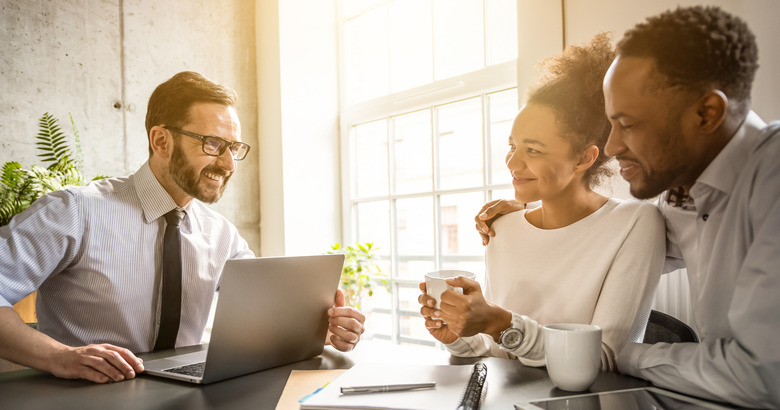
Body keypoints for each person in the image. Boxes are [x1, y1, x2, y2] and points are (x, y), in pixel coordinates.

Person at [477, 6, 780, 410]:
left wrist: (621, 354)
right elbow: (603, 234)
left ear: (707, 113)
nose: (613, 146)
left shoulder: (771, 182)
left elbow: (763, 376)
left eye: (629, 124)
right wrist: (534, 210)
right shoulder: (681, 200)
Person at [0, 71, 365, 383]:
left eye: (233, 147)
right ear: (161, 141)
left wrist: (321, 329)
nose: (227, 164)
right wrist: (60, 357)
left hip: (185, 400)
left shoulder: (222, 236)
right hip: (81, 403)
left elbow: (269, 318)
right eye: (212, 144)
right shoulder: (75, 211)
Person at [418, 34, 666, 371]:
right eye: (512, 146)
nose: (512, 163)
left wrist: (500, 324)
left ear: (583, 158)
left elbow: (605, 358)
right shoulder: (501, 227)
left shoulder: (635, 223)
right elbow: (496, 350)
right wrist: (459, 334)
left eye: (533, 150)